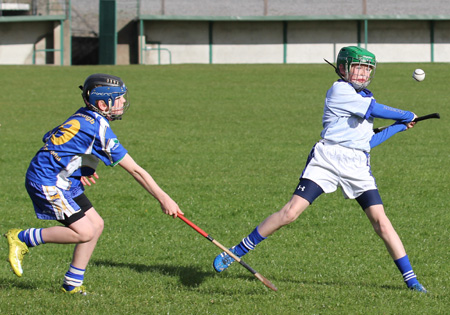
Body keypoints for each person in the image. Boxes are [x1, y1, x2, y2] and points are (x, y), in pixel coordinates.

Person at [212, 46, 427, 293]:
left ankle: (412, 282)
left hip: (357, 164)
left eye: (367, 68)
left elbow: (367, 142)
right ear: (344, 68)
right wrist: (406, 113)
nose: (362, 73)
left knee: (381, 222)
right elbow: (375, 111)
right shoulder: (340, 90)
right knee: (290, 213)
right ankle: (234, 252)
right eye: (357, 67)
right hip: (327, 159)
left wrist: (400, 127)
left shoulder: (366, 96)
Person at [4, 73, 183, 295]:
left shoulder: (84, 116)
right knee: (84, 232)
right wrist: (163, 198)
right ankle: (23, 237)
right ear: (102, 103)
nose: (124, 101)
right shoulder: (98, 129)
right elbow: (136, 170)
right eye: (119, 98)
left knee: (96, 225)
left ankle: (72, 283)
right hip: (47, 182)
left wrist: (81, 169)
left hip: (65, 179)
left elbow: (51, 138)